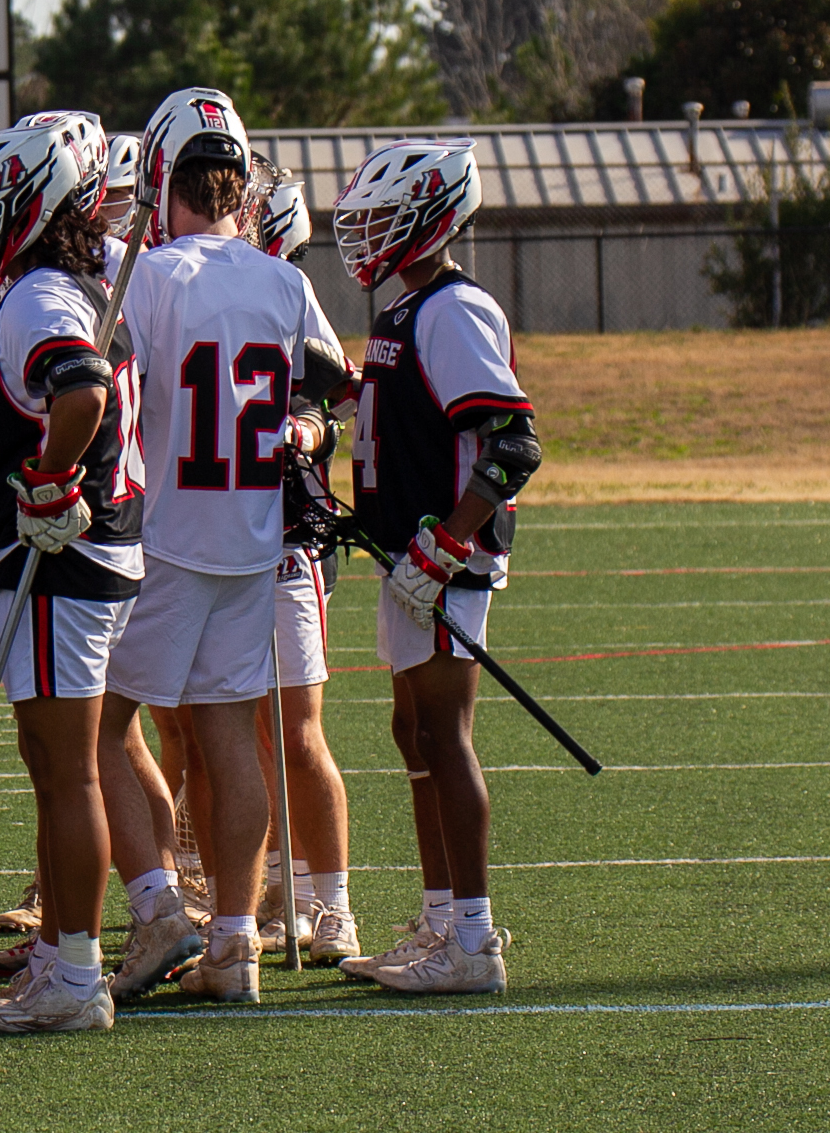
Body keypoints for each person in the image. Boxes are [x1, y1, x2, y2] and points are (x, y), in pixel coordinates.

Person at [104, 90, 341, 1005]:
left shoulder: (155, 277)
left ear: (166, 178)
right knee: (229, 740)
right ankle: (234, 945)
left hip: (163, 541)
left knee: (102, 729)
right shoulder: (283, 282)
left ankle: (162, 909)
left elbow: (99, 380)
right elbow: (327, 379)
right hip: (250, 540)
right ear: (240, 183)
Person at [331, 139, 539, 996]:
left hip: (440, 556)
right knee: (413, 731)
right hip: (408, 555)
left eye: (382, 216)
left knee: (445, 736)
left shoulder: (452, 310)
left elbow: (513, 442)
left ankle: (473, 940)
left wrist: (450, 540)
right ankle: (443, 917)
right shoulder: (406, 310)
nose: (367, 233)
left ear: (428, 215)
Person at [0, 113, 142, 1035]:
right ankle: (66, 958)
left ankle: (76, 975)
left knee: (67, 773)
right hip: (76, 551)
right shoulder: (75, 281)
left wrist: (48, 477)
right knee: (55, 763)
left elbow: (84, 389)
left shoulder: (40, 294)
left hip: (61, 554)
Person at [245, 160, 361, 965]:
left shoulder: (281, 287)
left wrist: (310, 430)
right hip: (205, 540)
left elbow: (331, 388)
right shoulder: (178, 279)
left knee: (296, 728)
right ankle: (268, 891)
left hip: (283, 537)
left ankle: (334, 904)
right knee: (237, 728)